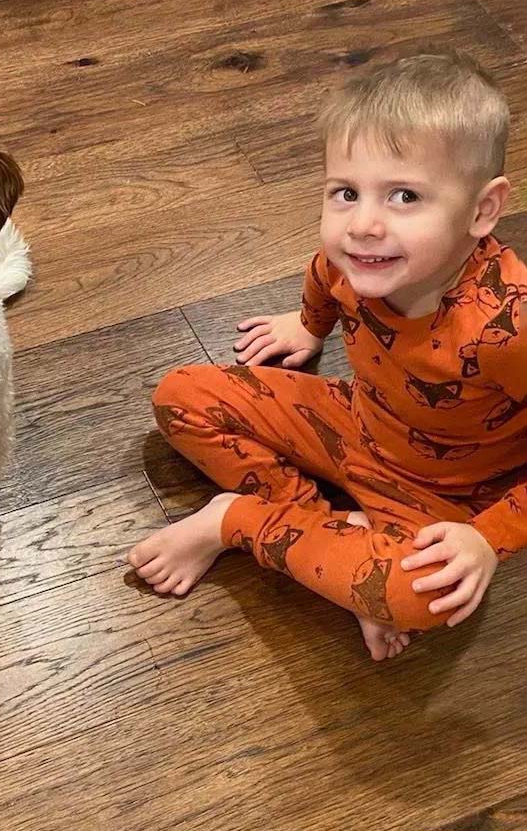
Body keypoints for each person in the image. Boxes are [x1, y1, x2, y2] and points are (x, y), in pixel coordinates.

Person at [128, 50, 527, 661]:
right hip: (355, 422)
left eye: (404, 196)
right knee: (179, 396)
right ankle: (336, 541)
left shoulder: (509, 326)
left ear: (481, 210)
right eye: (345, 192)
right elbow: (321, 278)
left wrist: (485, 540)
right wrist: (308, 328)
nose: (362, 224)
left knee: (422, 596)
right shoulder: (351, 260)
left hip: (447, 493)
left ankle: (236, 520)